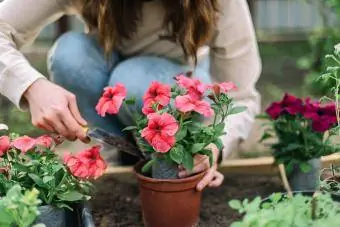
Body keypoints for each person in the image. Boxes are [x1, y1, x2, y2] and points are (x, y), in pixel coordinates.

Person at [0, 0, 261, 191]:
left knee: (135, 80)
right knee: (69, 56)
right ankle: (114, 160)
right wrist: (31, 86)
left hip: (179, 83)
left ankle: (167, 172)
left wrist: (215, 146)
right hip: (110, 78)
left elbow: (241, 95)